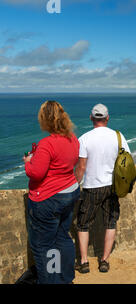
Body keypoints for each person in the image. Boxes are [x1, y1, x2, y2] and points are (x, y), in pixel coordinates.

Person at [24, 100, 80, 284]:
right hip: (70, 191)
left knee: (43, 246)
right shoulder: (72, 138)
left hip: (49, 199)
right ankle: (66, 278)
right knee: (63, 237)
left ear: (45, 120)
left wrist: (28, 162)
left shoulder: (46, 143)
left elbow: (36, 173)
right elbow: (68, 163)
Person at [74, 103, 130, 273]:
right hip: (112, 187)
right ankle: (104, 261)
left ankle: (84, 262)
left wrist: (75, 185)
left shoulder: (84, 138)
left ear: (91, 118)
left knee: (83, 224)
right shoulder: (118, 137)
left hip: (92, 187)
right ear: (107, 118)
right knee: (110, 222)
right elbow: (126, 161)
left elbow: (81, 167)